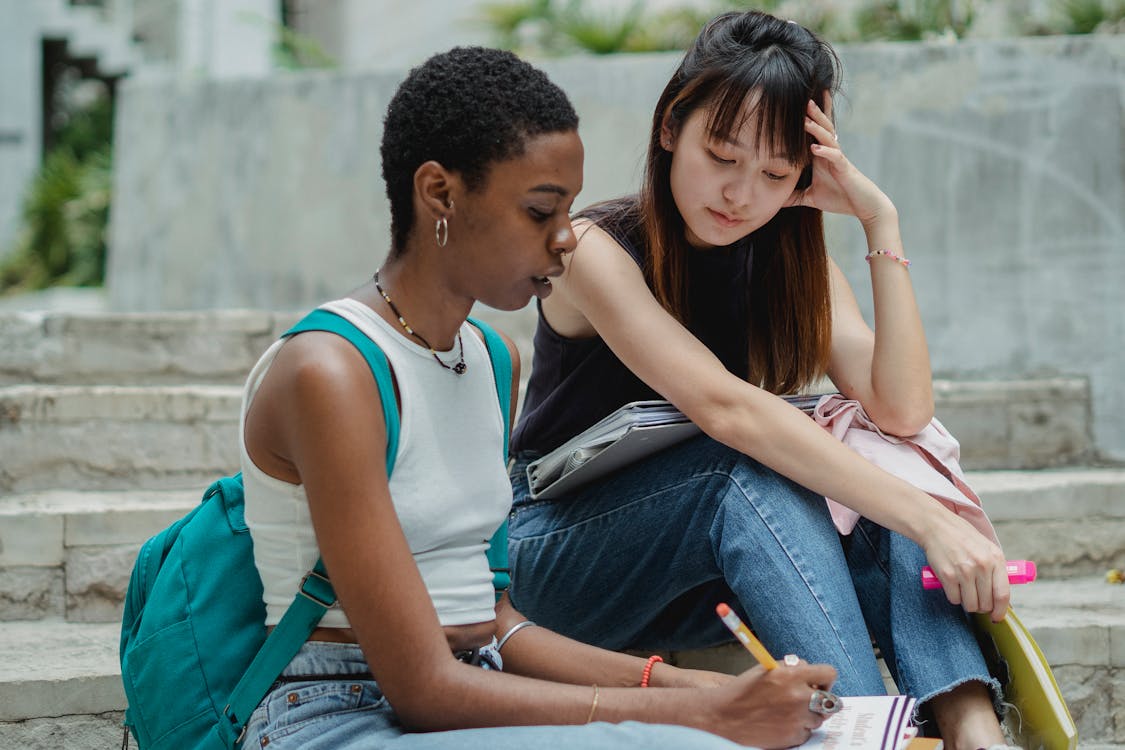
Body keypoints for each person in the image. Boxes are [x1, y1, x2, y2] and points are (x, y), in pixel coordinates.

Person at [238, 46, 840, 750]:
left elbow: (498, 624)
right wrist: (702, 716)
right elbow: (425, 689)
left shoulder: (491, 358)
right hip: (334, 715)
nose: (565, 239)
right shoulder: (331, 371)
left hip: (478, 683)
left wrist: (690, 687)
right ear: (439, 194)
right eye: (539, 211)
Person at [506, 12, 1012, 750]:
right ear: (671, 128)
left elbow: (901, 411)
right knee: (746, 465)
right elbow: (726, 411)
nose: (740, 194)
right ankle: (861, 734)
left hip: (704, 583)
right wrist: (931, 521)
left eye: (775, 173)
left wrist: (880, 221)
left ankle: (973, 728)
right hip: (561, 556)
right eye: (721, 155)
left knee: (878, 454)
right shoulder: (592, 247)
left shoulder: (794, 269)